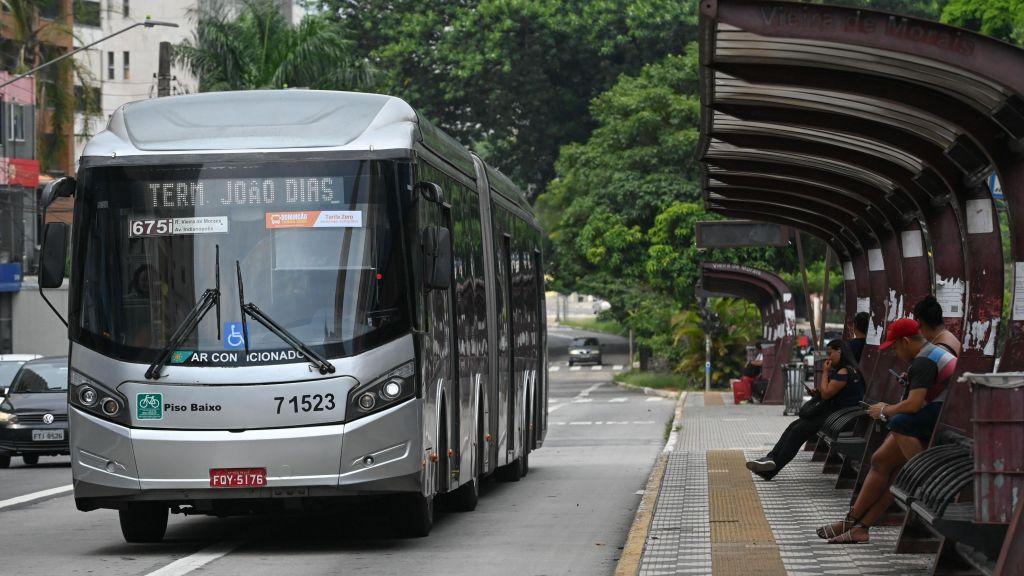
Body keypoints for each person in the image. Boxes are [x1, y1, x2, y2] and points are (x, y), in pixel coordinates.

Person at [816, 318, 958, 544]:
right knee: (881, 461)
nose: (895, 351)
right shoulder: (930, 353)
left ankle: (922, 472)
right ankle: (857, 525)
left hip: (942, 419)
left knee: (897, 425)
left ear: (906, 341)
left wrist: (884, 409)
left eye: (895, 346)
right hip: (938, 416)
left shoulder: (923, 362)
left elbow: (913, 405)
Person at [746, 339, 865, 480]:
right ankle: (770, 459)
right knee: (794, 426)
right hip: (837, 415)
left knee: (797, 431)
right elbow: (831, 392)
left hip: (837, 416)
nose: (828, 357)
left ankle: (772, 468)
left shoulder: (845, 372)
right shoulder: (850, 370)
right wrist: (818, 393)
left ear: (840, 351)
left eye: (830, 353)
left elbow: (826, 394)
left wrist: (825, 372)